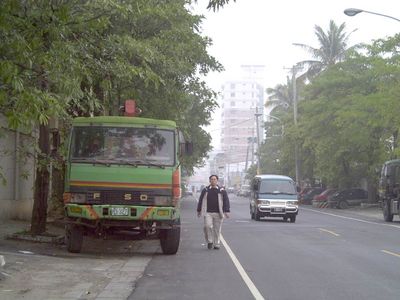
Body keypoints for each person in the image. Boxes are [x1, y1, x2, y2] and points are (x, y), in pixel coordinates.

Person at [197, 175, 230, 250]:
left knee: (217, 229)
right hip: (208, 212)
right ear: (209, 181)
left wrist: (226, 211)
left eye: (214, 179)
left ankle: (216, 243)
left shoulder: (221, 190)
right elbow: (201, 200)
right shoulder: (205, 190)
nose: (213, 181)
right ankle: (210, 241)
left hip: (218, 213)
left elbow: (226, 201)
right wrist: (199, 210)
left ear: (217, 181)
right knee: (207, 226)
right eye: (211, 179)